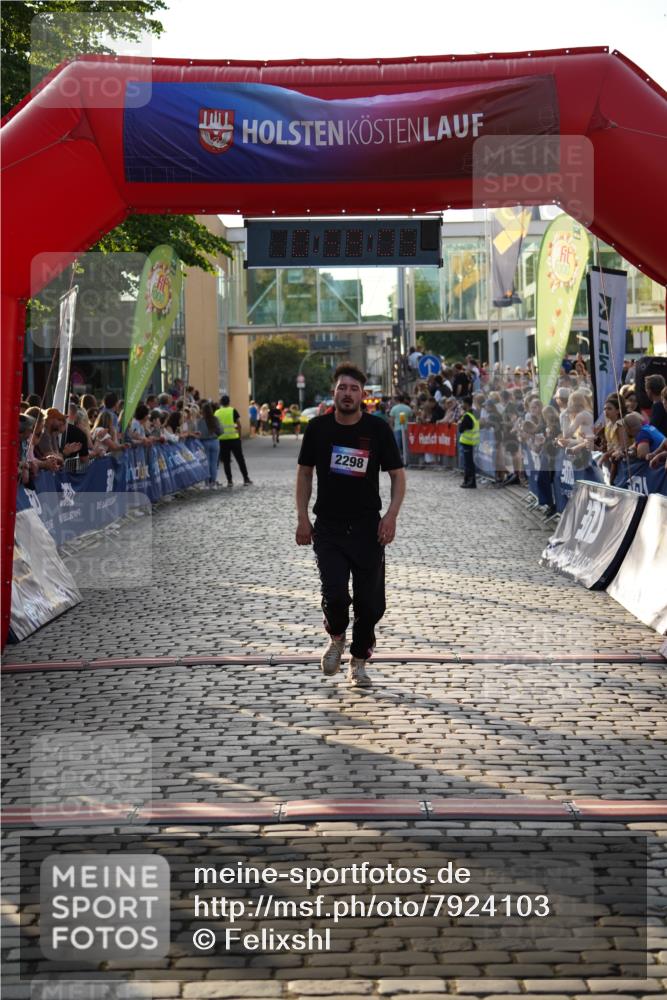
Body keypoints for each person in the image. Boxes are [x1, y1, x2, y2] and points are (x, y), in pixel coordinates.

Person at [295, 363, 406, 688]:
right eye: (342, 388)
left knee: (370, 605)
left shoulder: (377, 429)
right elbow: (304, 473)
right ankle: (336, 636)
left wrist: (391, 516)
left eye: (353, 389)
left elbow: (398, 476)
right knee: (335, 596)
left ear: (363, 395)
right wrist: (302, 517)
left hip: (367, 529)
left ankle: (358, 662)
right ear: (334, 392)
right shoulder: (318, 428)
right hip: (328, 528)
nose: (347, 394)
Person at [215, 394, 252, 487]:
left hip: (222, 440)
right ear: (229, 402)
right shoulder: (233, 410)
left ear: (221, 403)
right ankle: (246, 479)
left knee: (226, 461)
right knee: (240, 459)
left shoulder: (217, 412)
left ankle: (230, 481)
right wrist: (239, 436)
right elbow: (239, 424)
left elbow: (215, 427)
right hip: (234, 439)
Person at [197, 402, 222, 488]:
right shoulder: (215, 419)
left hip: (204, 442)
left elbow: (198, 433)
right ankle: (213, 482)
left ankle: (207, 483)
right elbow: (220, 431)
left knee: (206, 463)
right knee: (214, 463)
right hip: (215, 441)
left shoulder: (200, 421)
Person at [458, 396, 480, 488]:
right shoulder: (475, 413)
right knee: (469, 463)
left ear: (466, 404)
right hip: (473, 441)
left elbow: (461, 429)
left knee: (468, 464)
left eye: (462, 403)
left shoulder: (467, 416)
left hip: (468, 442)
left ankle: (470, 482)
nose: (462, 405)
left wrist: (460, 422)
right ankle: (468, 481)